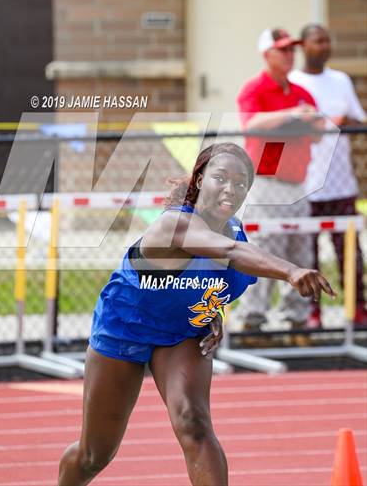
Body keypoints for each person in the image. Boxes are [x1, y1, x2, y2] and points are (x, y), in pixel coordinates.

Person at [57, 142, 335, 486]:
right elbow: (228, 253)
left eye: (241, 182)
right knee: (94, 455)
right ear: (200, 180)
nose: (231, 188)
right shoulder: (175, 225)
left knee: (194, 423)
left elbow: (217, 273)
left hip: (180, 334)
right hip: (124, 328)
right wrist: (291, 271)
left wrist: (209, 307)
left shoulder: (235, 230)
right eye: (221, 177)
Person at [235, 28, 324, 337]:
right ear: (267, 55)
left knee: (301, 253)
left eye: (291, 50)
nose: (289, 55)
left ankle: (296, 321)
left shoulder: (300, 91)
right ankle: (253, 321)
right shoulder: (256, 88)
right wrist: (291, 116)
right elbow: (253, 124)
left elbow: (318, 129)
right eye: (282, 50)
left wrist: (298, 119)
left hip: (298, 182)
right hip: (266, 181)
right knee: (263, 252)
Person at [289, 23, 367, 327]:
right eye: (317, 41)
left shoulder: (340, 80)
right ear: (303, 46)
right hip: (306, 184)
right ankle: (313, 312)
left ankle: (357, 309)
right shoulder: (294, 83)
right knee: (307, 254)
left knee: (350, 251)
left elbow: (358, 119)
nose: (323, 46)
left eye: (326, 41)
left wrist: (340, 120)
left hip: (341, 183)